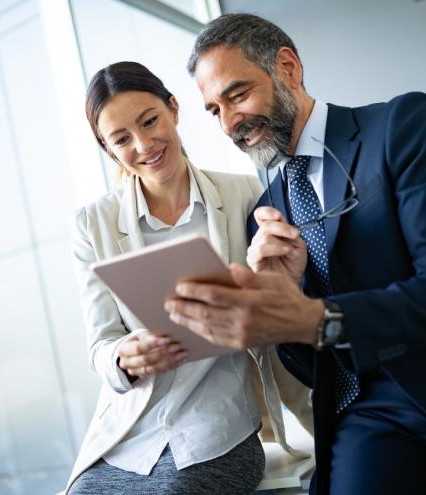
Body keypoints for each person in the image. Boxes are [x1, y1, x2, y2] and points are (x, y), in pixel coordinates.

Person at [162, 13, 426, 495]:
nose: (230, 122)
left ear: (288, 67)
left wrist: (315, 317)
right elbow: (310, 364)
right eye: (215, 110)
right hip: (376, 413)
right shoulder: (266, 210)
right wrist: (281, 300)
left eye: (237, 94)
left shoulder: (401, 126)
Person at [64, 61, 312, 495]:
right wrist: (125, 356)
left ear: (174, 109)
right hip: (130, 436)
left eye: (150, 121)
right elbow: (101, 346)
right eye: (122, 139)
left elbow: (286, 300)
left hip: (217, 429)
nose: (143, 145)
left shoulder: (244, 195)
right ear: (108, 149)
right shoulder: (93, 225)